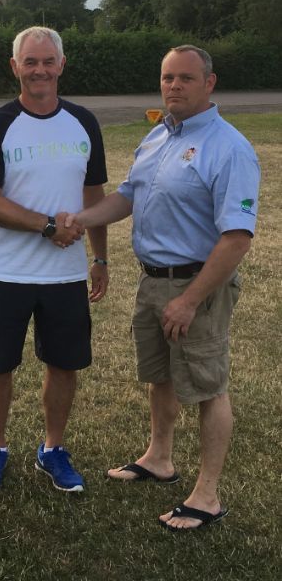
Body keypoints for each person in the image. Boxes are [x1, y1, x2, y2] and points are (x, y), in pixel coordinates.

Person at [66, 45, 259, 532]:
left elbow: (237, 238)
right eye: (167, 77)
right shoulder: (157, 136)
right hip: (153, 281)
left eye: (186, 78)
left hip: (198, 285)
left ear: (209, 84)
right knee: (161, 375)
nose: (174, 86)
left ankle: (208, 495)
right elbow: (129, 195)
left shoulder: (229, 147)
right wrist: (79, 220)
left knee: (208, 387)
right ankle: (159, 458)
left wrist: (190, 300)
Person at [0, 26, 108, 495]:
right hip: (7, 272)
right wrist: (47, 225)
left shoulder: (84, 122)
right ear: (15, 67)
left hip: (66, 276)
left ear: (62, 65)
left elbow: (94, 193)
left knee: (64, 365)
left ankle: (53, 449)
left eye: (48, 61)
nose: (39, 70)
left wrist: (100, 257)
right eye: (30, 61)